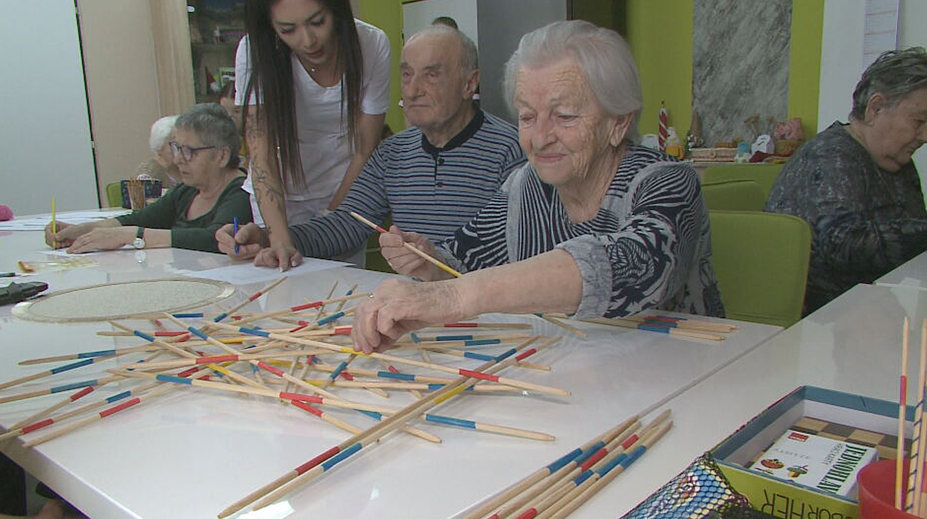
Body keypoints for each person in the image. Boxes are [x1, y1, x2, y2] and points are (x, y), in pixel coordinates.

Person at [350, 21, 724, 354]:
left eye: (564, 116)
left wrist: (450, 297)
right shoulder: (526, 185)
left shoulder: (667, 182)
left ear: (618, 122)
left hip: (676, 375)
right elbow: (465, 261)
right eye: (528, 116)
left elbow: (629, 266)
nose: (540, 138)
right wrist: (430, 264)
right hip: (572, 371)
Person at [216, 26, 525, 266]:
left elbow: (518, 248)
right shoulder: (392, 153)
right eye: (406, 75)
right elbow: (348, 224)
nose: (413, 90)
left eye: (431, 75)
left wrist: (441, 262)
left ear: (470, 84)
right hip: (414, 310)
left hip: (489, 312)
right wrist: (272, 238)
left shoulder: (511, 149)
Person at [765, 47, 927, 314]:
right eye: (919, 121)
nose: (923, 135)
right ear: (876, 108)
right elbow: (843, 246)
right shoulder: (831, 155)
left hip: (871, 309)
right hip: (821, 321)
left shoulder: (897, 161)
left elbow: (913, 233)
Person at [236, 0, 391, 268]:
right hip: (276, 199)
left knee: (341, 290)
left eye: (318, 22)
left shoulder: (371, 44)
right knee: (282, 287)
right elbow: (262, 156)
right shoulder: (254, 51)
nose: (308, 41)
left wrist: (333, 216)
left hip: (346, 189)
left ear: (337, 10)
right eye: (288, 29)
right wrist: (281, 240)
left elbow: (364, 149)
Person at [45, 104, 252, 254]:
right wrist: (80, 231)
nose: (178, 159)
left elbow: (212, 238)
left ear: (222, 156)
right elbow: (139, 219)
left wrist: (131, 236)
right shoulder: (188, 191)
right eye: (176, 148)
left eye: (189, 151)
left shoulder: (241, 192)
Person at [134, 115, 180, 188]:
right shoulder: (148, 172)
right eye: (174, 145)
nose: (179, 150)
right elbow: (143, 198)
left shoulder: (185, 167)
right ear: (159, 146)